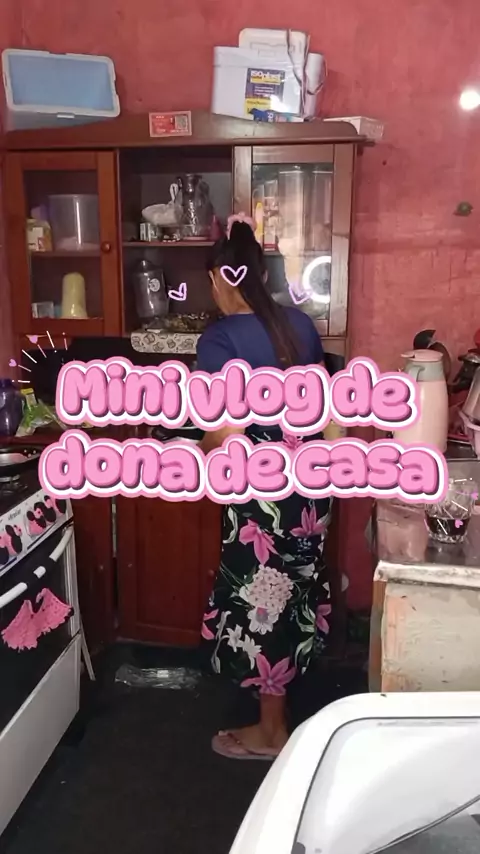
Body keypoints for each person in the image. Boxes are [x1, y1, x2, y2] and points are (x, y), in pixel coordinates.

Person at [196, 214, 332, 761]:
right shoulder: (299, 324)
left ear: (218, 278)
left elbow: (227, 434)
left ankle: (271, 732)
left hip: (264, 497)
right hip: (312, 486)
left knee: (263, 600)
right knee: (293, 592)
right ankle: (280, 707)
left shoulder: (220, 338)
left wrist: (200, 447)